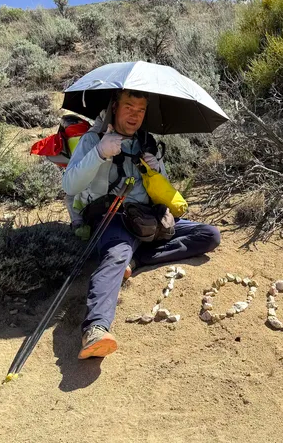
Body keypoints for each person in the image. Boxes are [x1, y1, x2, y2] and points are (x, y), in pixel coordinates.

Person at [63, 89, 220, 360]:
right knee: (115, 256)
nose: (135, 115)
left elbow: (165, 189)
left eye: (141, 110)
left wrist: (158, 169)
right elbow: (70, 184)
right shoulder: (94, 140)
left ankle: (136, 260)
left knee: (208, 235)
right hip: (113, 217)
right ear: (114, 107)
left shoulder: (147, 142)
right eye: (129, 107)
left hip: (150, 218)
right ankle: (96, 329)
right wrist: (100, 153)